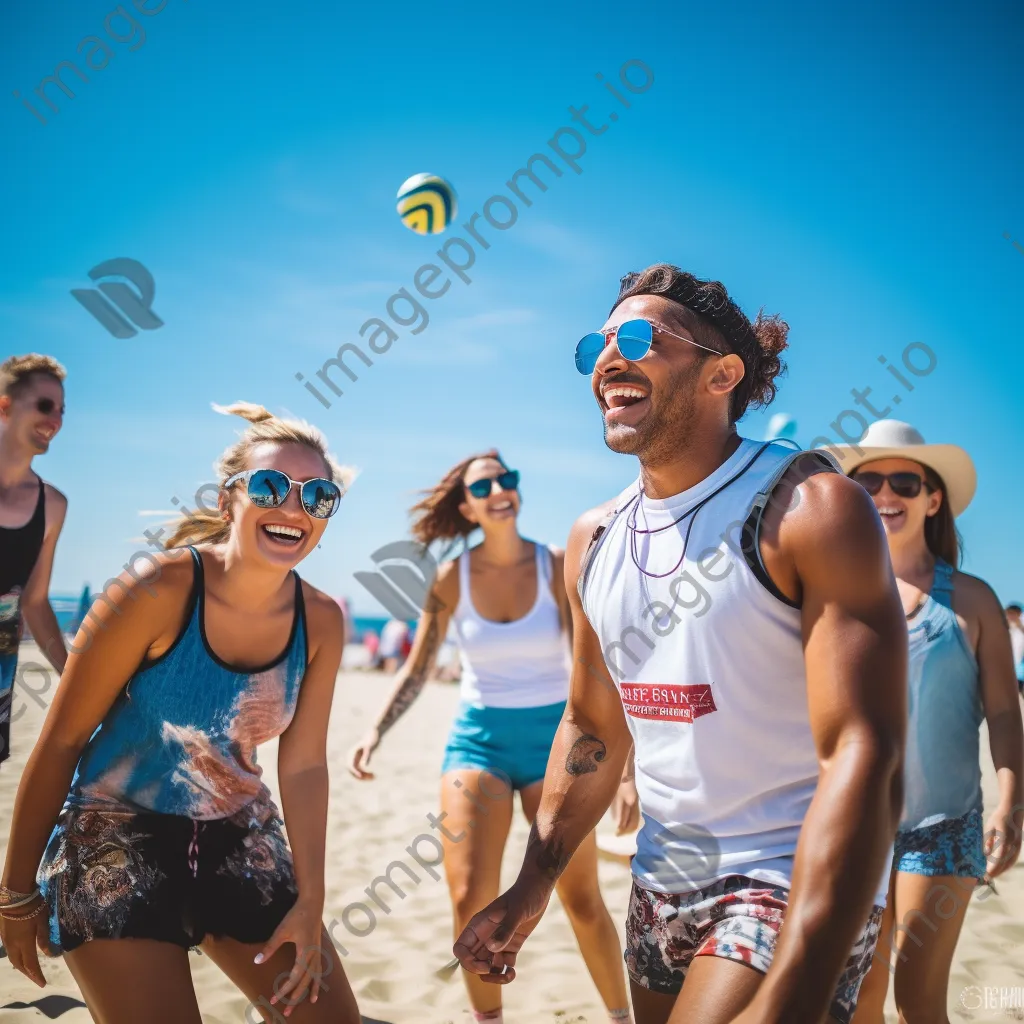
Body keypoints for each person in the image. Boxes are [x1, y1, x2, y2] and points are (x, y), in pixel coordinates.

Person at [453, 265, 909, 1024]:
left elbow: (864, 751)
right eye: (596, 345)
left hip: (786, 877)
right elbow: (594, 726)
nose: (607, 360)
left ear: (721, 373)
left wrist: (798, 975)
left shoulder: (811, 507)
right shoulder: (591, 539)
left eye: (638, 338)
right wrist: (533, 883)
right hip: (662, 878)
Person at [0, 402, 362, 1024]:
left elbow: (302, 767)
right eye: (272, 486)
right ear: (229, 501)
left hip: (242, 840)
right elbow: (61, 741)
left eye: (318, 496)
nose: (294, 508)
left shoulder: (322, 620)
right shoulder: (156, 589)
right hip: (117, 840)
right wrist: (13, 893)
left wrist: (311, 898)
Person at [348, 451, 635, 1024]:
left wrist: (624, 769)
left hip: (558, 745)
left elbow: (602, 666)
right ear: (467, 506)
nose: (501, 489)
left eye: (509, 479)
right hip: (478, 743)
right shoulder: (451, 578)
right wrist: (376, 729)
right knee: (468, 900)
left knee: (580, 900)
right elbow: (420, 662)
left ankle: (622, 1017)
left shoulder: (555, 564)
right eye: (486, 486)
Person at [839, 420, 1024, 1024]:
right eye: (869, 482)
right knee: (858, 998)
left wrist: (1010, 804)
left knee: (917, 1000)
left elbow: (1003, 710)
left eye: (904, 482)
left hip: (943, 827)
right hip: (851, 828)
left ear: (933, 498)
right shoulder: (834, 597)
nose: (886, 494)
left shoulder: (972, 601)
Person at [0, 355, 70, 767]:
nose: (55, 419)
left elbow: (36, 602)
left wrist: (72, 678)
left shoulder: (52, 505)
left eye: (61, 410)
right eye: (45, 405)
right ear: (5, 405)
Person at [1006, 603, 1024, 694]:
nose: (1011, 617)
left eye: (1014, 614)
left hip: (1019, 672)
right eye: (1009, 614)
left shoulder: (1021, 628)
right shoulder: (1003, 628)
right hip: (1006, 670)